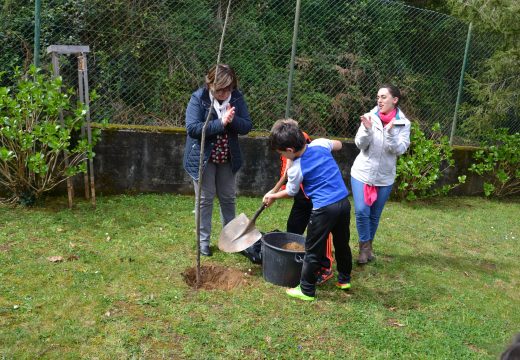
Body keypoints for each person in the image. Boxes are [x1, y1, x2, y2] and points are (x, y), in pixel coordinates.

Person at [263, 119, 352, 301]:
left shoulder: (296, 168)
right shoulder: (320, 143)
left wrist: (272, 196)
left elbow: (291, 192)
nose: (283, 157)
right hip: (343, 203)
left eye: (282, 154)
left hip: (324, 209)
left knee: (312, 249)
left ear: (289, 151)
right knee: (342, 243)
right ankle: (344, 279)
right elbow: (339, 144)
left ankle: (306, 290)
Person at [183, 64, 252, 256]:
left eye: (228, 88)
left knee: (228, 198)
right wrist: (220, 123)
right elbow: (193, 128)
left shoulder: (237, 98)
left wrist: (232, 120)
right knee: (205, 199)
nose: (224, 93)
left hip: (227, 157)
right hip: (203, 158)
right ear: (210, 84)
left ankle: (230, 239)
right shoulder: (199, 98)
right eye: (220, 88)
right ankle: (202, 242)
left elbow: (246, 125)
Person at [350, 84, 411, 264]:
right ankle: (365, 248)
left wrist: (391, 133)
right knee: (362, 211)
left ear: (395, 100)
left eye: (384, 97)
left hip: (384, 178)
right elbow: (360, 144)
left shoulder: (403, 123)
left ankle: (368, 248)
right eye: (378, 97)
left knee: (374, 215)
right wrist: (367, 129)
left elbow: (400, 149)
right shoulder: (369, 117)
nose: (379, 100)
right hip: (362, 173)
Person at [275, 127, 334, 285]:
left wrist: (275, 195)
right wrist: (276, 191)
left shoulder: (300, 140)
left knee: (321, 231)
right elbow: (286, 172)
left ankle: (325, 266)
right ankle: (294, 260)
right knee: (293, 227)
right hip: (301, 195)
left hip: (317, 194)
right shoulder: (283, 143)